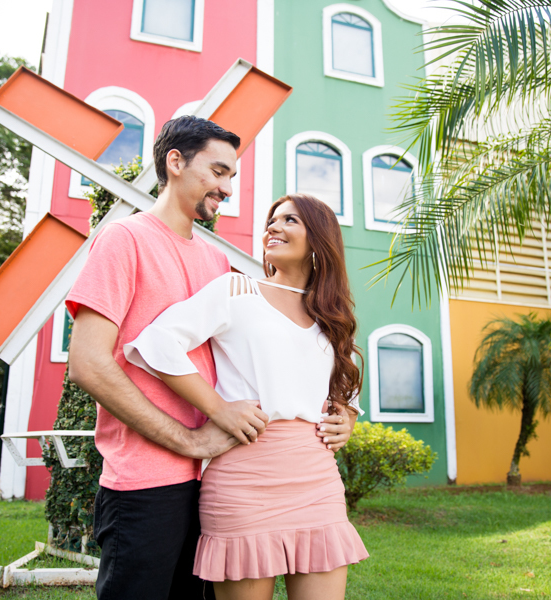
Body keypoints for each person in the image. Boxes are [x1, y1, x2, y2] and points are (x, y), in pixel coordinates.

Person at [65, 117, 356, 600]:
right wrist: (192, 436)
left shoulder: (217, 263)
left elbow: (275, 356)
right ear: (175, 162)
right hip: (147, 479)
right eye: (218, 172)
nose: (226, 188)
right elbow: (89, 363)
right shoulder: (124, 239)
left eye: (231, 177)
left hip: (210, 471)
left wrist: (342, 411)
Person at [124, 193, 369, 600]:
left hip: (317, 480)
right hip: (244, 478)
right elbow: (157, 343)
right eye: (272, 221)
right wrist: (217, 408)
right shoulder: (236, 290)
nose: (273, 227)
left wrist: (348, 418)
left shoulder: (332, 312)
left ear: (320, 239)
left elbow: (345, 386)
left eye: (290, 220)